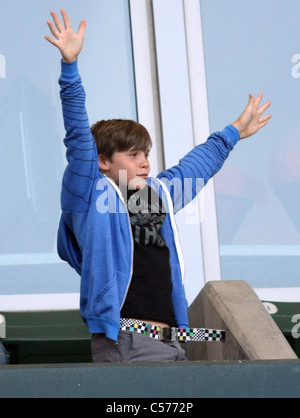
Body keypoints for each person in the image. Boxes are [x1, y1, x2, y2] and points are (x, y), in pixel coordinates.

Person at [45, 9, 271, 363]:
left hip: (172, 342)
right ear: (103, 161)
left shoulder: (157, 196)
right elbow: (78, 138)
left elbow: (193, 168)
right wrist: (70, 69)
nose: (145, 162)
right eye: (133, 154)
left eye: (146, 154)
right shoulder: (89, 193)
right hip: (128, 342)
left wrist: (233, 133)